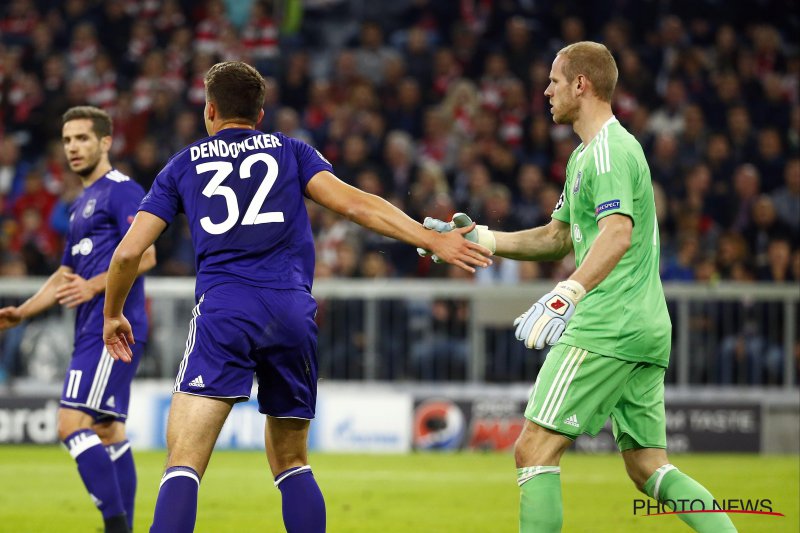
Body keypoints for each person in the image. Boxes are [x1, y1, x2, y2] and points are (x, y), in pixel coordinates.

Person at [101, 61, 491, 533]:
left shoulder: (183, 165)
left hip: (226, 311)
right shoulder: (291, 151)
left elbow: (126, 256)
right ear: (260, 114)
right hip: (291, 311)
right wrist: (431, 240)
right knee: (291, 461)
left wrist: (113, 314)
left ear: (209, 112)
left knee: (184, 460)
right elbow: (356, 203)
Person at [422, 42, 736, 532]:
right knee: (648, 466)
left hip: (606, 324)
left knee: (534, 449)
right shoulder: (587, 156)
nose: (546, 90)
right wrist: (482, 237)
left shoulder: (608, 151)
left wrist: (568, 291)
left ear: (581, 84)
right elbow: (556, 237)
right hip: (645, 327)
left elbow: (617, 233)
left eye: (553, 80)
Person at [0, 106, 156, 533]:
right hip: (89, 329)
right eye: (68, 140)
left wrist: (94, 287)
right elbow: (65, 275)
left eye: (82, 138)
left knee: (71, 424)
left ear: (105, 142)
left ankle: (116, 527)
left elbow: (146, 254)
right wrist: (23, 311)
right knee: (108, 430)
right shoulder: (79, 204)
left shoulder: (122, 190)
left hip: (112, 327)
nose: (73, 147)